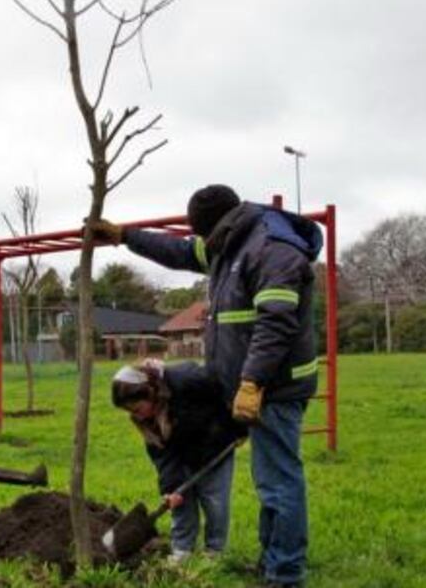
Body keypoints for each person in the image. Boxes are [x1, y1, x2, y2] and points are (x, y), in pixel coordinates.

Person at [93, 184, 322, 588]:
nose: (200, 245)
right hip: (248, 386)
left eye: (203, 236)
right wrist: (126, 237)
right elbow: (179, 252)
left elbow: (276, 323)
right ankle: (274, 561)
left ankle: (285, 574)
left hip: (274, 388)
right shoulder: (230, 243)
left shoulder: (270, 250)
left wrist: (252, 382)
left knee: (279, 482)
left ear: (219, 226)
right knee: (270, 480)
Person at [111, 359, 242, 564]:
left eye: (136, 409)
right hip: (182, 456)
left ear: (149, 392)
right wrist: (171, 487)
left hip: (217, 447)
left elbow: (223, 388)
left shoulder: (186, 381)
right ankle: (182, 548)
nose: (135, 416)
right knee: (181, 500)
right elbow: (162, 455)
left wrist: (238, 427)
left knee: (215, 501)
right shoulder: (147, 421)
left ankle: (214, 550)